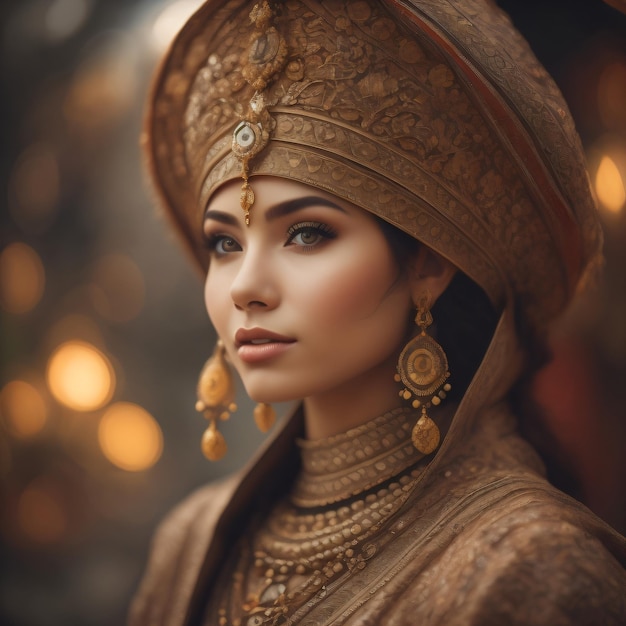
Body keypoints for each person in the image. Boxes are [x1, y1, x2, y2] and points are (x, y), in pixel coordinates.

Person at [130, 0, 626, 624]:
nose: (244, 286)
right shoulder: (190, 544)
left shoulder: (531, 568)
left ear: (429, 263)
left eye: (308, 234)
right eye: (225, 243)